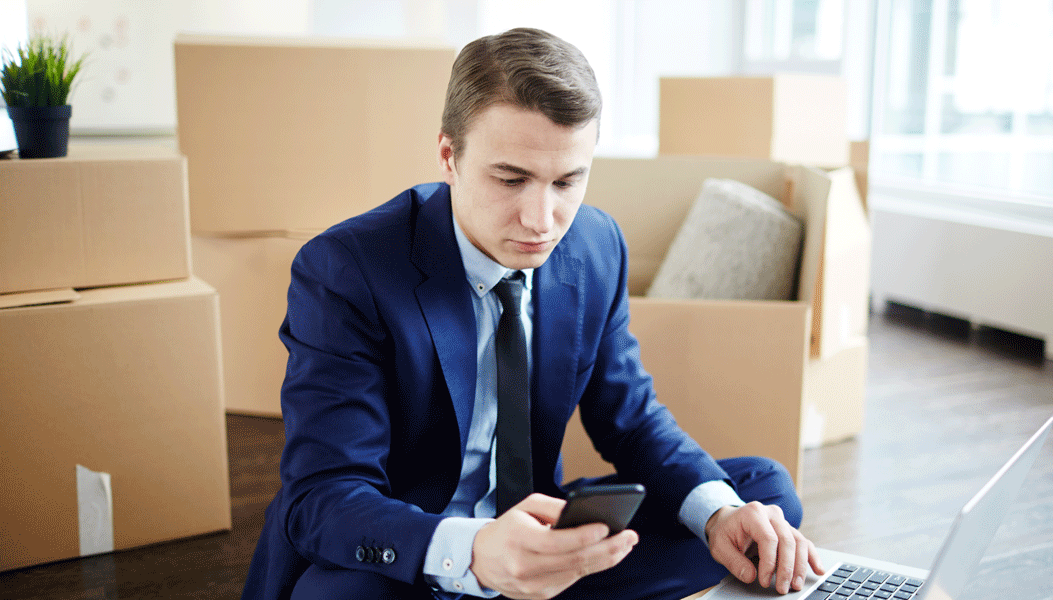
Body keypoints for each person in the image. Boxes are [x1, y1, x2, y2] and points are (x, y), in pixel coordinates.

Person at [241, 27, 823, 600]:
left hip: (541, 538)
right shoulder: (347, 269)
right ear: (449, 155)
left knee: (756, 499)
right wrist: (473, 552)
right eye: (511, 179)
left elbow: (631, 418)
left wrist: (718, 514)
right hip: (423, 553)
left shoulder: (596, 246)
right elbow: (325, 496)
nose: (542, 220)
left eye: (568, 181)